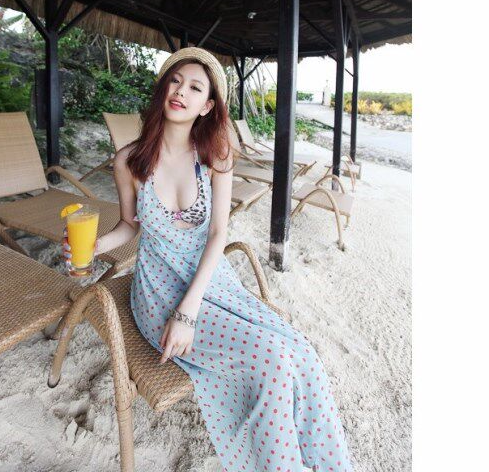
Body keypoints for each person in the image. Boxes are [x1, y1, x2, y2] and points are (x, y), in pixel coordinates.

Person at [63, 47, 354, 472]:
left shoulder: (215, 157)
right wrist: (93, 247)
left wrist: (191, 310)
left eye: (195, 87)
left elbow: (218, 235)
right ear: (164, 90)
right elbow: (129, 226)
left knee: (301, 352)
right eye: (175, 81)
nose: (181, 91)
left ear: (207, 106)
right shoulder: (130, 160)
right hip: (158, 292)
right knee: (272, 358)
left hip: (213, 283)